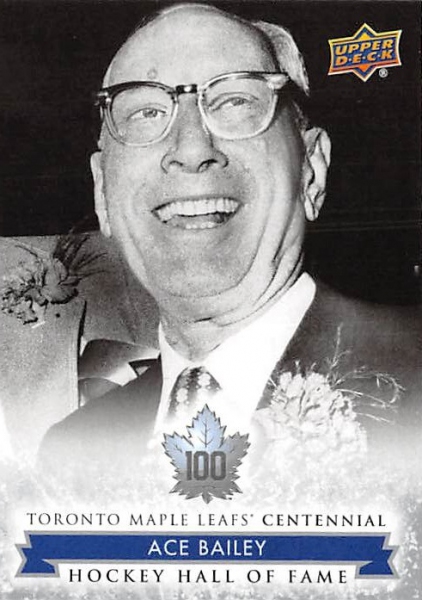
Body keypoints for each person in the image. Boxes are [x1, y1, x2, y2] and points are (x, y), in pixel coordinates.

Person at [39, 2, 421, 480]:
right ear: (102, 191)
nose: (191, 149)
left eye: (236, 102)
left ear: (312, 171)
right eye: (146, 111)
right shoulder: (70, 453)